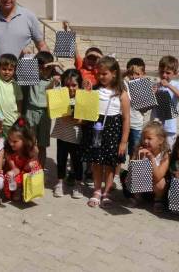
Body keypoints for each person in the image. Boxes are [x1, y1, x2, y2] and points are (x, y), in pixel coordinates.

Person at [82, 56, 130, 208]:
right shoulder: (95, 90)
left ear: (114, 73)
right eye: (99, 74)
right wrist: (86, 92)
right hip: (96, 129)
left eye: (104, 74)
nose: (100, 77)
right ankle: (96, 190)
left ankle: (107, 191)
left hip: (113, 131)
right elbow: (85, 108)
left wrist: (123, 142)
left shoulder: (121, 93)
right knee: (96, 162)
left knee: (110, 164)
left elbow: (126, 119)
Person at [51, 69, 84, 199]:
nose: (71, 88)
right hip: (62, 135)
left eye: (74, 85)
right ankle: (59, 183)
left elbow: (86, 119)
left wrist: (79, 120)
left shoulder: (83, 98)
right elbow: (54, 107)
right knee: (61, 160)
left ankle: (78, 185)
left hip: (77, 137)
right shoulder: (59, 96)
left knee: (77, 162)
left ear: (79, 85)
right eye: (67, 85)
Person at [25, 51, 60, 168]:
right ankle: (29, 169)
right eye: (40, 68)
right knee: (30, 143)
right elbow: (23, 66)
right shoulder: (32, 77)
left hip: (45, 114)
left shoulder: (54, 79)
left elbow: (69, 76)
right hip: (31, 111)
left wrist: (56, 66)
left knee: (42, 145)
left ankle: (41, 170)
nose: (43, 71)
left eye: (47, 68)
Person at [0, 33, 23, 134]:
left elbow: (19, 102)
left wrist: (19, 116)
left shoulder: (16, 85)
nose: (7, 72)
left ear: (14, 71)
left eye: (10, 70)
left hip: (11, 123)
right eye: (4, 69)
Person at [130, 121, 170, 213]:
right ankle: (137, 196)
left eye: (149, 138)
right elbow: (131, 170)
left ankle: (158, 200)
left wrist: (151, 158)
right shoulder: (139, 150)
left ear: (160, 140)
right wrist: (137, 157)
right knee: (135, 171)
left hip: (156, 185)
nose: (145, 141)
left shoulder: (164, 155)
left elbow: (158, 177)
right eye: (144, 138)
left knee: (161, 182)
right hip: (142, 184)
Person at [150, 56, 179, 149]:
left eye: (168, 73)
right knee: (154, 149)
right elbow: (148, 105)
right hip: (155, 123)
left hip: (169, 126)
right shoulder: (155, 85)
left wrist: (169, 86)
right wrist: (152, 93)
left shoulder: (176, 84)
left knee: (168, 150)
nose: (164, 75)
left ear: (175, 74)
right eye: (162, 72)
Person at [3, 118, 40, 202]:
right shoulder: (8, 150)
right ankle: (17, 189)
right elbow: (15, 169)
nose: (11, 143)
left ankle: (29, 189)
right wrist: (12, 172)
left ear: (25, 140)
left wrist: (30, 164)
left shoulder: (33, 149)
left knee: (34, 166)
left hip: (28, 170)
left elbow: (31, 167)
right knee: (10, 176)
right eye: (9, 140)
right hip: (18, 171)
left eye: (15, 141)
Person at [124, 58, 147, 158]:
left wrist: (148, 97)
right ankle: (117, 173)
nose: (134, 77)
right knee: (120, 150)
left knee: (134, 151)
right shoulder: (124, 84)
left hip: (136, 125)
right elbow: (116, 78)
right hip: (123, 123)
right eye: (131, 73)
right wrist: (125, 73)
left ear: (143, 74)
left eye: (137, 74)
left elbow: (145, 109)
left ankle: (132, 172)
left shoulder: (144, 87)